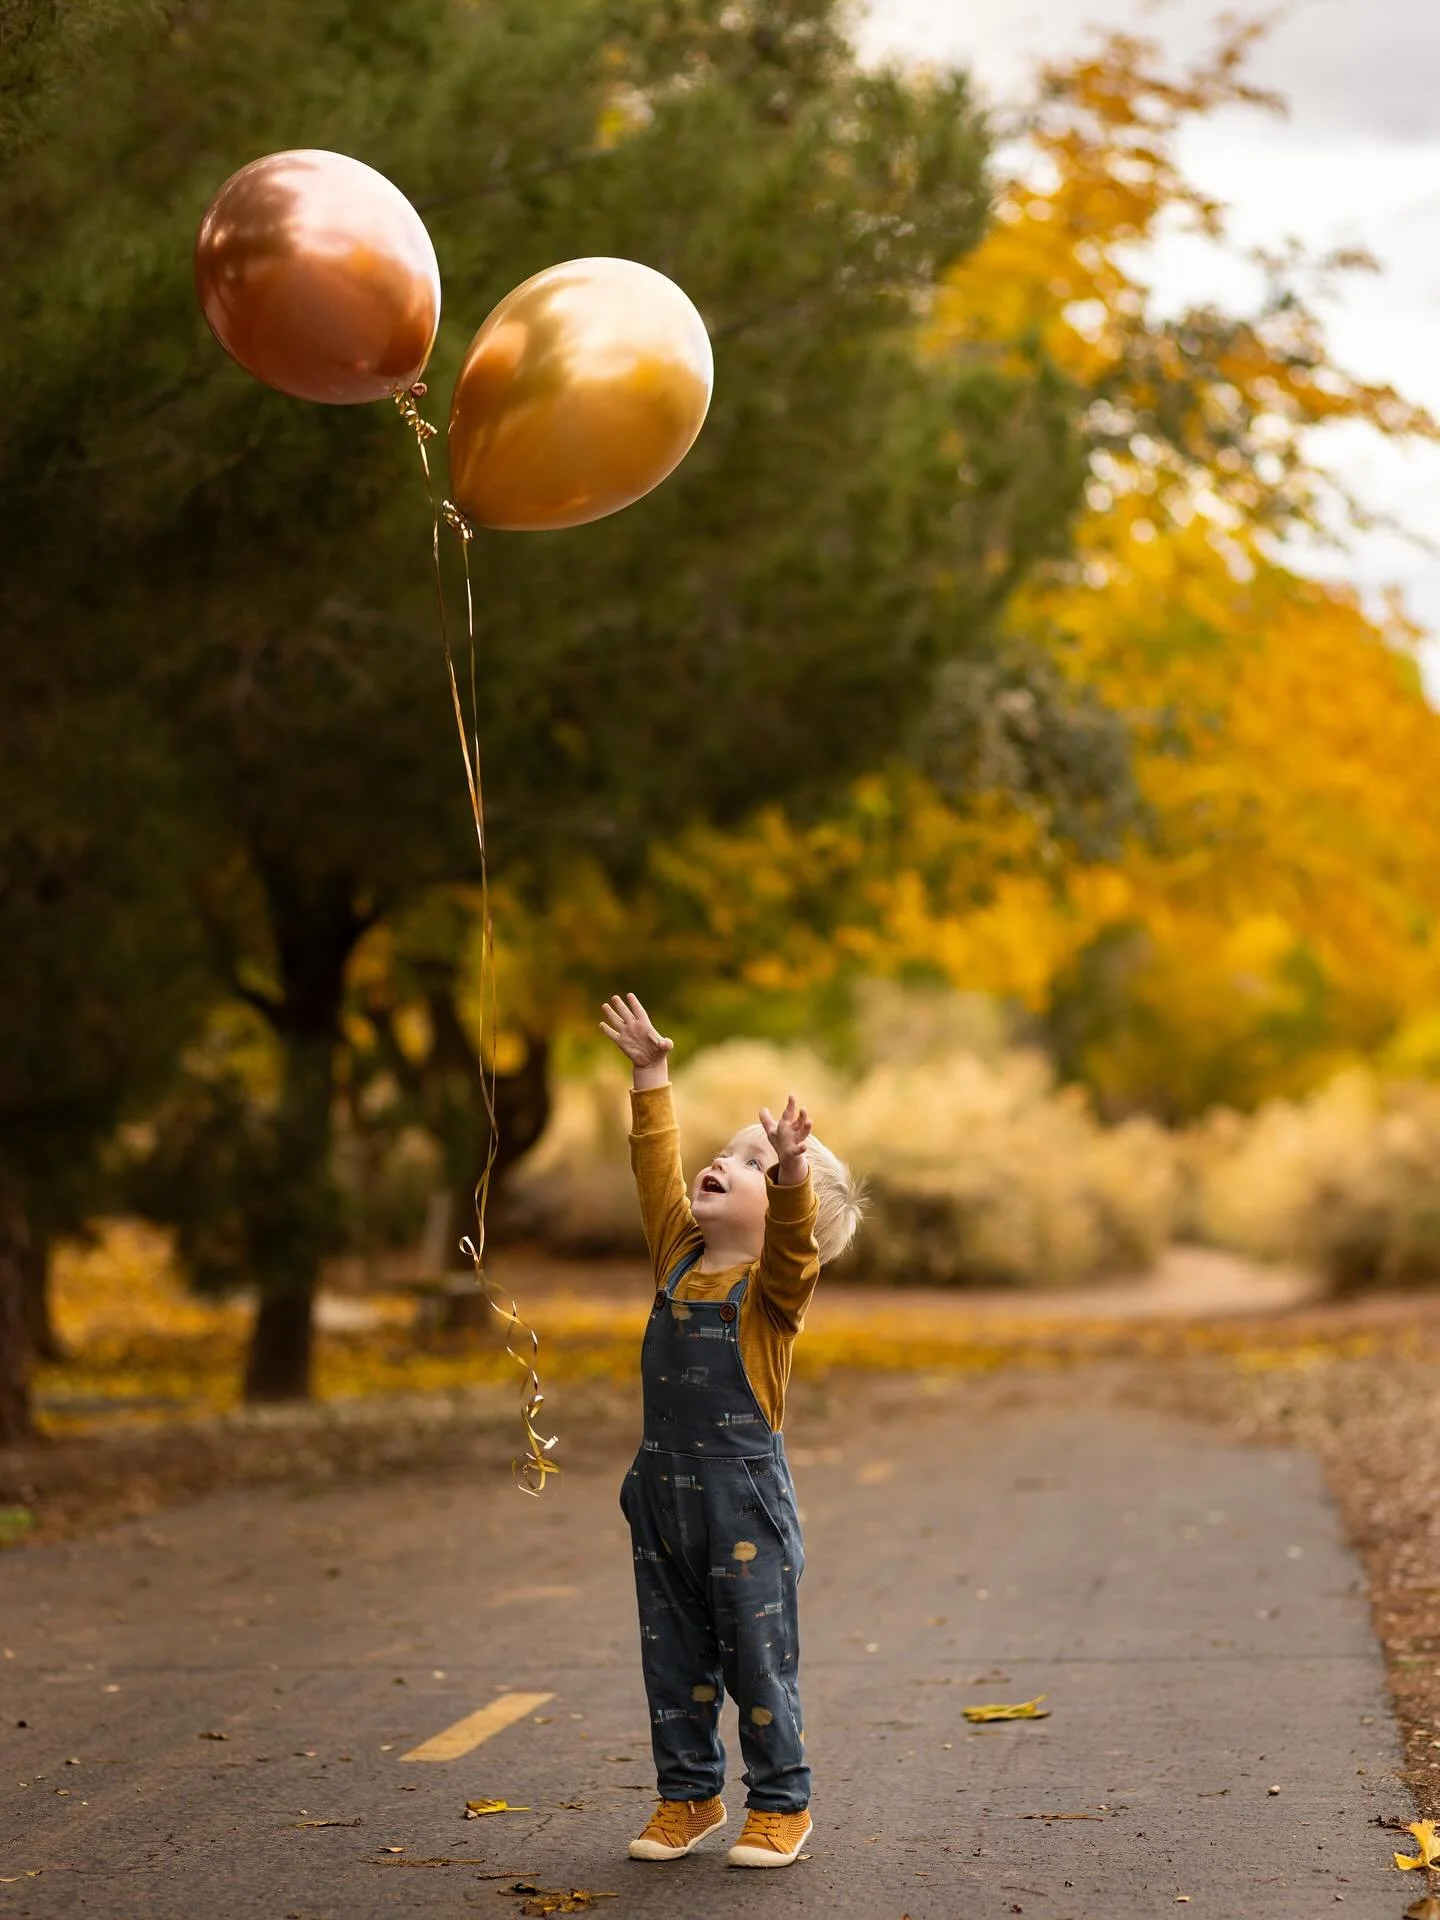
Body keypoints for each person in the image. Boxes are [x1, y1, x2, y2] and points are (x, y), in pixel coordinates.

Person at [600, 992, 864, 1871]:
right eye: (731, 1152)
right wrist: (651, 1073)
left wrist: (789, 1170)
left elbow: (791, 1243)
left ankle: (782, 1805)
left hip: (742, 1513)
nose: (726, 1160)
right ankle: (689, 1798)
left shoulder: (773, 1299)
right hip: (664, 1504)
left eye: (748, 1165)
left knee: (757, 1665)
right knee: (671, 1665)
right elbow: (652, 1166)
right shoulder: (677, 1254)